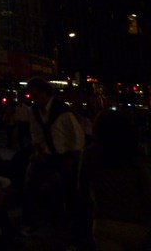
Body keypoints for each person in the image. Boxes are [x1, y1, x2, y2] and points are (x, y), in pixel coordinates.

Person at [21, 76, 86, 243]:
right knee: (31, 185)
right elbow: (35, 133)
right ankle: (32, 220)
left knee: (69, 190)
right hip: (46, 155)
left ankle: (71, 224)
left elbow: (77, 138)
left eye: (35, 96)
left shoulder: (63, 112)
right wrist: (39, 151)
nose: (33, 100)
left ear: (45, 94)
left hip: (66, 156)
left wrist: (71, 160)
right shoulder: (34, 111)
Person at [80, 109, 151, 250]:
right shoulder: (136, 155)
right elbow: (146, 187)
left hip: (104, 220)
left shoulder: (90, 154)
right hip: (137, 222)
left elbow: (82, 188)